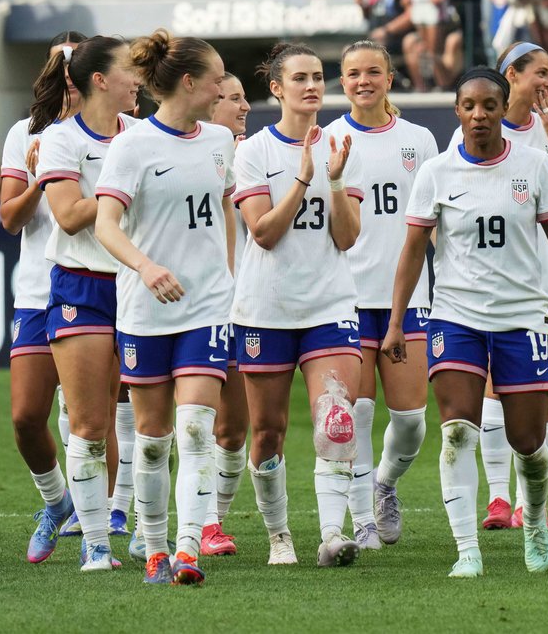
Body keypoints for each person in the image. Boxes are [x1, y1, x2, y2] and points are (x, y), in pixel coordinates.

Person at [382, 65, 548, 577]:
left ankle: (533, 521)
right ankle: (467, 549)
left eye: (490, 105)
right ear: (457, 112)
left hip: (521, 317)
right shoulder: (436, 173)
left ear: (504, 107)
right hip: (455, 316)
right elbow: (412, 252)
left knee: (528, 444)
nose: (480, 114)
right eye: (469, 106)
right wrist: (397, 322)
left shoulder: (532, 165)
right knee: (458, 431)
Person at [92, 31, 234, 586]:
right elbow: (106, 224)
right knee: (152, 442)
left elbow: (223, 211)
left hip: (207, 309)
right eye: (218, 77)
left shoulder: (220, 141)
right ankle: (153, 551)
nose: (224, 86)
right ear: (190, 82)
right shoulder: (132, 145)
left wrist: (226, 277)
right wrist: (146, 267)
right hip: (146, 311)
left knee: (197, 430)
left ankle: (189, 550)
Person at [230, 43, 364, 568]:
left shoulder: (341, 143)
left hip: (329, 305)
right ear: (276, 89)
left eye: (318, 76)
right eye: (300, 77)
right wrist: (305, 175)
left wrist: (332, 178)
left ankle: (332, 536)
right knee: (267, 432)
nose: (312, 85)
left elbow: (347, 237)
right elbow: (262, 233)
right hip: (266, 309)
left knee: (337, 421)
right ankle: (279, 535)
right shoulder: (255, 152)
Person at [449, 42, 548, 529]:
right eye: (540, 73)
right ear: (512, 75)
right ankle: (498, 499)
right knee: (491, 390)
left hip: (547, 276)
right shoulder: (470, 133)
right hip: (491, 288)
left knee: (539, 395)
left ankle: (530, 502)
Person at [34, 35, 141, 571]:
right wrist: (124, 188)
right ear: (100, 79)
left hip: (139, 284)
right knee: (89, 423)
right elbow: (70, 215)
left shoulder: (144, 134)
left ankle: (149, 531)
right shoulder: (60, 140)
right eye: (129, 69)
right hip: (83, 286)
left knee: (152, 421)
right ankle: (96, 545)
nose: (139, 78)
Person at [330, 40, 438, 549]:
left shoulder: (419, 140)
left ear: (390, 79)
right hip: (343, 297)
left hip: (408, 298)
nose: (363, 81)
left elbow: (437, 224)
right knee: (356, 416)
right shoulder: (326, 138)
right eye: (353, 73)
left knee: (412, 420)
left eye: (373, 72)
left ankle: (384, 485)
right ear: (342, 80)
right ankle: (363, 523)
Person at [0, 32, 87, 564]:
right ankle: (57, 504)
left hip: (100, 284)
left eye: (82, 57)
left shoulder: (120, 130)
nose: (72, 68)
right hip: (39, 288)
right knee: (26, 417)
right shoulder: (23, 133)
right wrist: (39, 178)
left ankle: (109, 522)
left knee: (92, 417)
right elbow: (9, 217)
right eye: (64, 58)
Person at [199, 72, 252, 556]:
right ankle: (143, 519)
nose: (245, 106)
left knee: (233, 428)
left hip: (244, 306)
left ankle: (214, 519)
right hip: (188, 305)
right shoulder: (184, 154)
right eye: (234, 98)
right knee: (179, 422)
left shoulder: (258, 153)